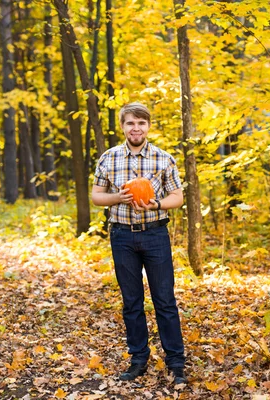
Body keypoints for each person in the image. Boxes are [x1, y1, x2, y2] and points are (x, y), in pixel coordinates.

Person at [91, 102, 187, 385]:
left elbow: (177, 198)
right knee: (131, 301)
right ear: (122, 125)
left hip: (155, 234)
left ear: (148, 126)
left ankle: (176, 362)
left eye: (141, 123)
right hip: (122, 235)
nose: (136, 128)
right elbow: (97, 196)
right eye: (131, 123)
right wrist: (117, 198)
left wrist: (156, 204)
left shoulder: (163, 158)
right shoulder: (109, 158)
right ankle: (138, 360)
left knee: (164, 300)